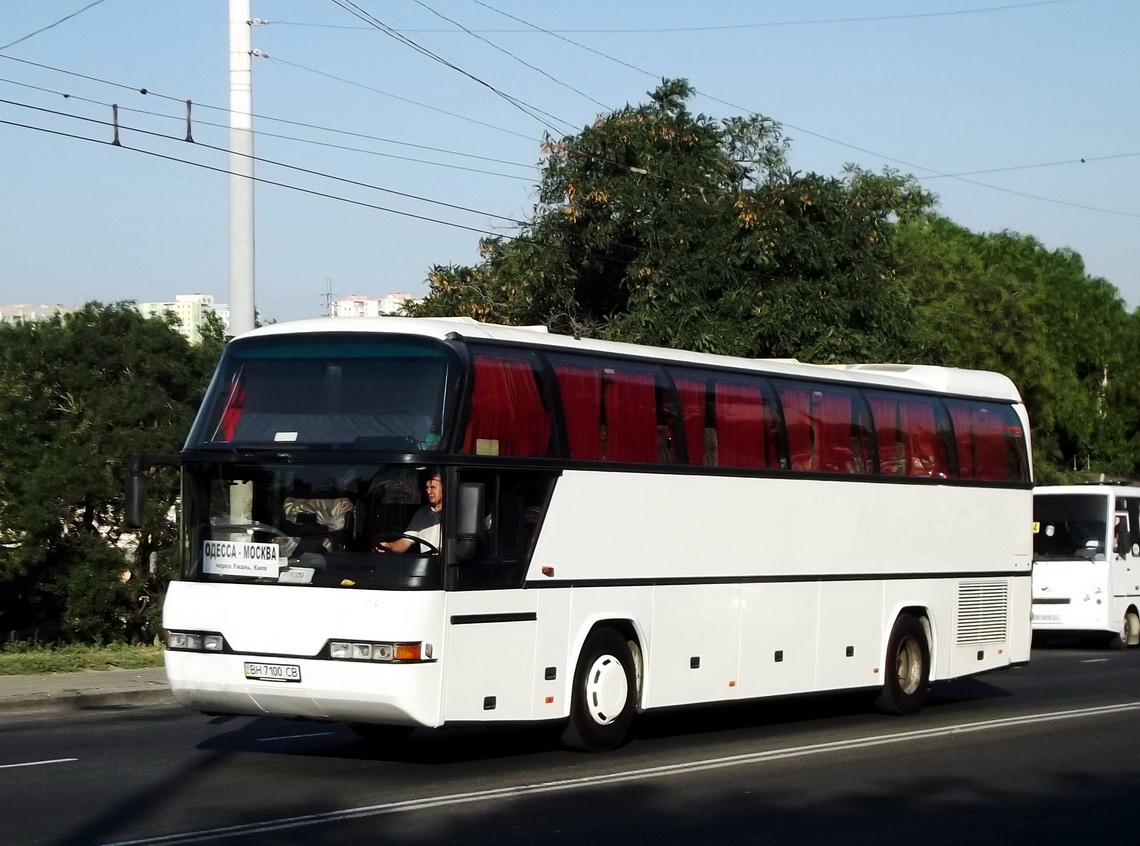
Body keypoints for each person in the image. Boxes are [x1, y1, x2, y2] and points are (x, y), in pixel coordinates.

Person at [374, 469, 443, 553]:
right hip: (425, 564)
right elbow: (405, 542)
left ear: (444, 488)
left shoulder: (454, 514)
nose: (428, 491)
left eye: (432, 488)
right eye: (427, 488)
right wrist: (390, 546)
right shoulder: (421, 514)